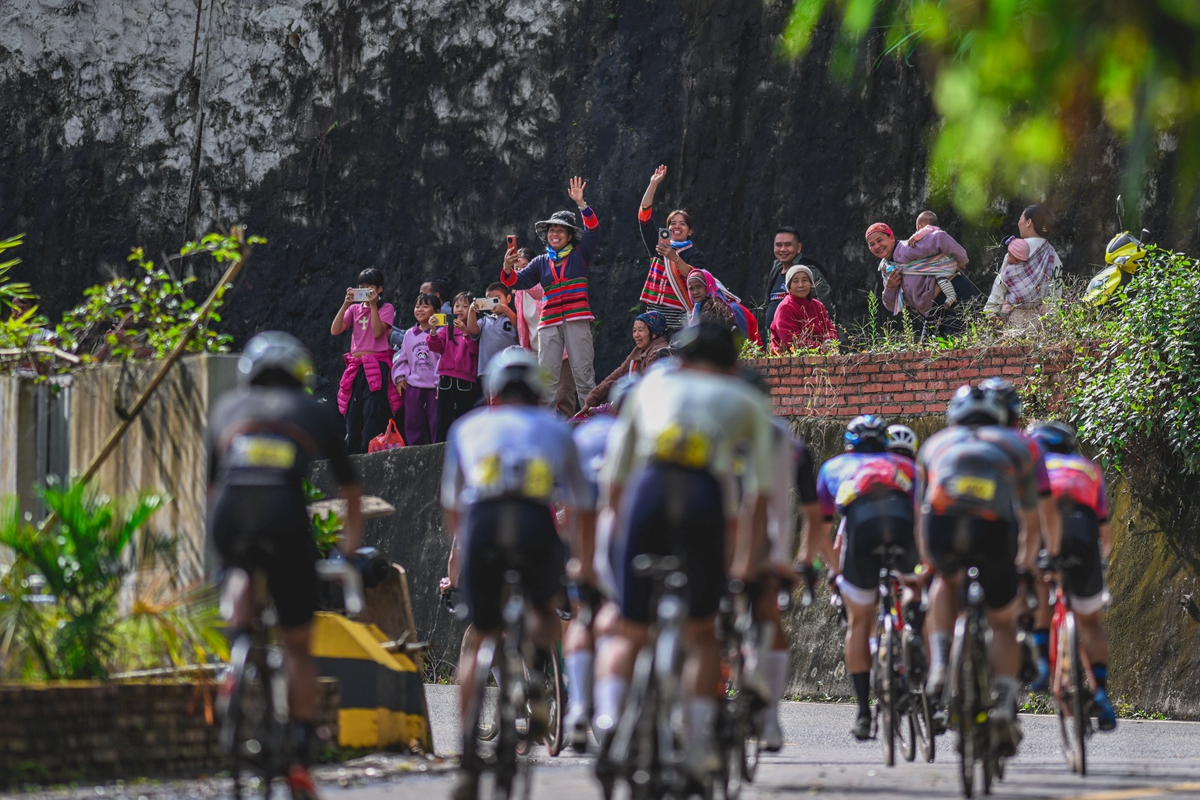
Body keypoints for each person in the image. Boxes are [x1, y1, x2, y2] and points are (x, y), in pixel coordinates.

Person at [593, 323, 774, 779]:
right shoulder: (746, 400)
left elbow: (614, 484)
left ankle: (610, 723)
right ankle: (696, 746)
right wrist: (745, 567)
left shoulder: (651, 385)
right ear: (732, 366)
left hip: (648, 494)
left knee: (630, 628)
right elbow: (757, 498)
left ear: (682, 360)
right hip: (703, 497)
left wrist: (611, 556)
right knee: (700, 633)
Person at [208, 332, 363, 800]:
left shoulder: (225, 410)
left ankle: (235, 661)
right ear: (300, 376)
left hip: (230, 517)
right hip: (285, 518)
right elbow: (350, 494)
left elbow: (211, 492)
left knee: (239, 572)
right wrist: (348, 555)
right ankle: (298, 756)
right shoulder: (314, 411)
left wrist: (222, 556)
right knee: (297, 645)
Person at [441, 348, 589, 800]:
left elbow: (453, 506)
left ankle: (469, 754)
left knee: (481, 635)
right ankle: (539, 680)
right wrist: (578, 559)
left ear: (494, 392)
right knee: (545, 609)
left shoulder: (467, 427)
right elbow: (581, 505)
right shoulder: (555, 430)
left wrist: (464, 563)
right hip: (532, 524)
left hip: (483, 527)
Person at [916, 385, 1043, 755]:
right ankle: (1003, 700)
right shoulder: (1019, 445)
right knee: (1003, 621)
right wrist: (1026, 563)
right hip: (994, 528)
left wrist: (927, 562)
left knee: (944, 579)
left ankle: (940, 665)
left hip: (942, 525)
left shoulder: (933, 445)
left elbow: (920, 512)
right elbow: (1030, 519)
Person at [807, 415, 919, 740]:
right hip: (902, 527)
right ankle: (915, 634)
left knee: (859, 622)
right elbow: (923, 518)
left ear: (849, 444)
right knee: (917, 588)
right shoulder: (906, 467)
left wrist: (836, 571)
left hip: (861, 533)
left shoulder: (833, 467)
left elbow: (821, 531)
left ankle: (863, 714)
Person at [742, 367, 822, 752]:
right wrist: (805, 561)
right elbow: (816, 514)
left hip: (717, 537)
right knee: (769, 619)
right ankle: (770, 718)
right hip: (768, 543)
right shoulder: (788, 442)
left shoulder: (712, 430)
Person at [562, 373, 639, 750]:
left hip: (591, 533)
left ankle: (577, 707)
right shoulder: (652, 434)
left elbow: (571, 507)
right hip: (638, 534)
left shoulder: (588, 435)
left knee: (585, 616)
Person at [1024, 421, 1117, 730]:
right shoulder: (1088, 469)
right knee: (1089, 621)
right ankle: (1101, 693)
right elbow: (1105, 533)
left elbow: (1026, 523)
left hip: (1047, 531)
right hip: (1085, 535)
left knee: (1038, 583)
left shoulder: (1033, 469)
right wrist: (1099, 562)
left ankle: (1040, 665)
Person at [501, 177, 600, 410]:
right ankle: (545, 425)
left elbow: (593, 231)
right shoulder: (540, 262)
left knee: (583, 375)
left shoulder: (580, 254)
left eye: (560, 230)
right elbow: (519, 281)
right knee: (546, 381)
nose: (554, 233)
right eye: (551, 230)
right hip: (549, 323)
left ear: (569, 236)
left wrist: (582, 204)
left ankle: (591, 420)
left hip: (576, 319)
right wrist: (506, 269)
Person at [866, 223, 980, 339]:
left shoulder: (907, 249)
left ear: (891, 237)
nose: (877, 246)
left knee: (956, 346)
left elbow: (940, 237)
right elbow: (892, 306)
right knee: (929, 353)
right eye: (872, 244)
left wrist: (962, 261)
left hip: (954, 293)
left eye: (879, 240)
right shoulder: (887, 267)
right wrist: (890, 288)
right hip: (932, 309)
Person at [332, 268, 399, 454]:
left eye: (368, 287)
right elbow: (335, 330)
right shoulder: (354, 309)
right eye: (360, 286)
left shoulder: (386, 308)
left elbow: (378, 332)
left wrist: (373, 306)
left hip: (377, 365)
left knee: (374, 410)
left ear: (379, 289)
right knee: (353, 412)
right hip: (357, 367)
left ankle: (370, 451)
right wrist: (346, 304)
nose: (363, 290)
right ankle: (353, 453)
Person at [637, 165, 708, 333]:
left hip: (679, 314)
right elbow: (644, 217)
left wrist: (674, 258)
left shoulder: (695, 254)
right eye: (672, 223)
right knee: (654, 356)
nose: (677, 226)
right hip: (653, 312)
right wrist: (653, 184)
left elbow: (694, 278)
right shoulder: (658, 245)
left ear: (690, 231)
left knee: (676, 356)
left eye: (682, 223)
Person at [984, 204, 1064, 328]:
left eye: (1020, 219)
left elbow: (1001, 283)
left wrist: (991, 311)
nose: (1018, 223)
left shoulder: (1015, 251)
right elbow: (1056, 294)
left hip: (1014, 321)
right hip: (1041, 324)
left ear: (1028, 222)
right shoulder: (1053, 256)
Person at [583, 310, 669, 410]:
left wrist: (612, 406)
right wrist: (592, 400)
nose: (636, 335)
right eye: (634, 331)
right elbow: (615, 376)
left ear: (654, 334)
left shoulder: (659, 352)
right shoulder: (637, 352)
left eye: (640, 330)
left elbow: (646, 384)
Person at [763, 226, 832, 343]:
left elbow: (824, 310)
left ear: (799, 247)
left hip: (803, 347)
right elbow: (768, 303)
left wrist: (823, 344)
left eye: (788, 245)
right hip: (775, 344)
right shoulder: (776, 269)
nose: (783, 249)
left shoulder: (809, 271)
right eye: (778, 245)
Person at [429, 292, 481, 443]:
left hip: (466, 379)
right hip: (446, 378)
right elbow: (436, 346)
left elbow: (476, 350)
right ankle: (440, 448)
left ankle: (464, 446)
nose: (460, 309)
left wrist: (466, 332)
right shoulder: (447, 327)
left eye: (465, 306)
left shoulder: (475, 327)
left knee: (464, 416)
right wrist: (432, 331)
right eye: (457, 306)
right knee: (443, 417)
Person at [391, 293, 441, 446]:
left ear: (436, 311)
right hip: (413, 386)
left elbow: (442, 358)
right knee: (413, 422)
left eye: (426, 306)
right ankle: (414, 450)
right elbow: (402, 358)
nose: (420, 309)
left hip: (434, 387)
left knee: (435, 422)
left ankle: (437, 452)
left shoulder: (440, 333)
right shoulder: (409, 334)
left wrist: (440, 381)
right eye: (418, 306)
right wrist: (400, 377)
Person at [769, 265, 837, 353]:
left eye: (805, 280)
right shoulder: (785, 307)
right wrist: (819, 347)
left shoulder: (818, 305)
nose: (800, 285)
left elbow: (830, 329)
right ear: (789, 286)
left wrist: (828, 342)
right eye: (795, 281)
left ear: (811, 284)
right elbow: (790, 340)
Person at [466, 282, 519, 387]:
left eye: (497, 299)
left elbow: (520, 327)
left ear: (508, 298)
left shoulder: (512, 318)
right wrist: (471, 311)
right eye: (490, 300)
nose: (494, 303)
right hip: (487, 369)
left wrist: (506, 310)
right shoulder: (485, 320)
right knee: (491, 400)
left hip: (509, 368)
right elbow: (473, 330)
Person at [687, 269, 743, 335]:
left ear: (708, 286)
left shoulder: (713, 306)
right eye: (691, 288)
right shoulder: (699, 307)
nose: (695, 292)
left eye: (699, 287)